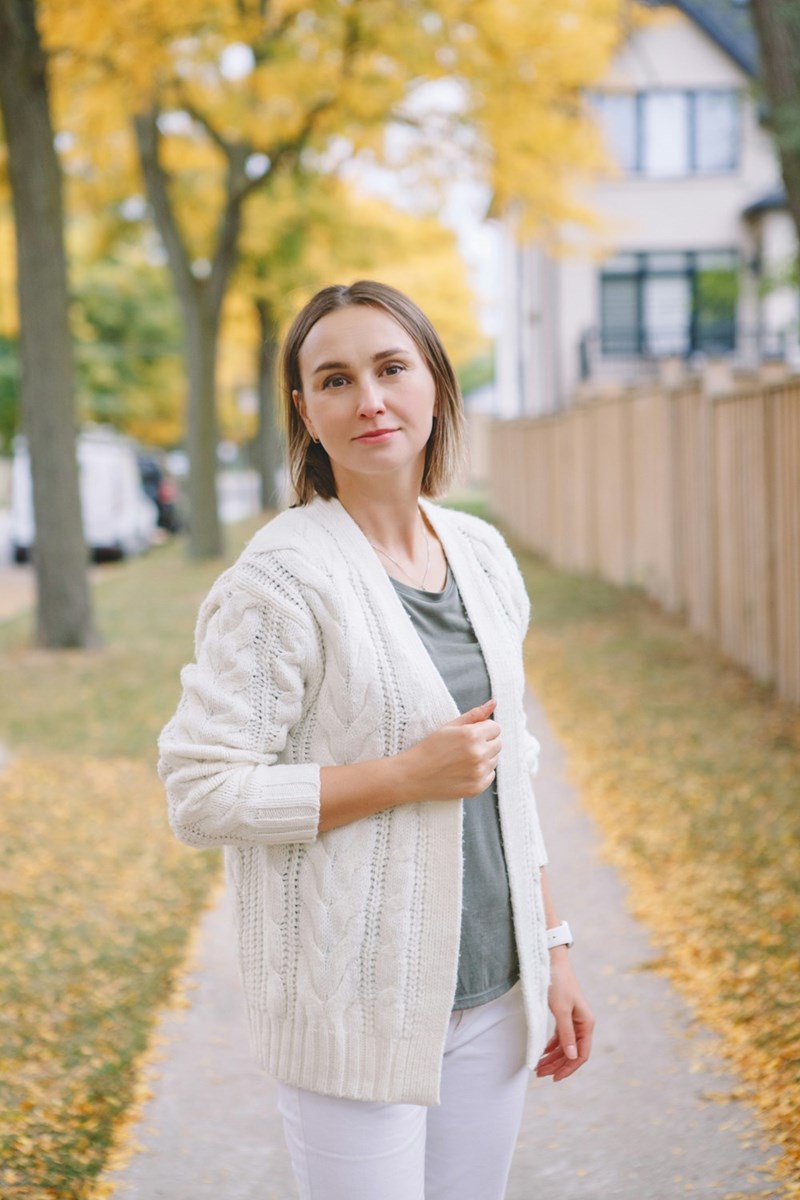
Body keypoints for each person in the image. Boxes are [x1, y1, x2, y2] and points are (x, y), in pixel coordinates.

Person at [158, 280, 594, 1200]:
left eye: (392, 368)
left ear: (434, 382)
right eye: (336, 379)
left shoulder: (480, 552)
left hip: (495, 991)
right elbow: (202, 794)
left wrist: (552, 949)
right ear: (305, 412)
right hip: (355, 1003)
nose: (370, 400)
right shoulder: (280, 580)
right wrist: (403, 775)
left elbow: (510, 773)